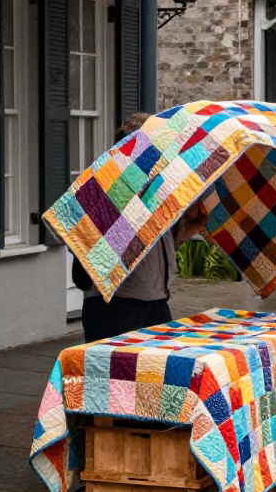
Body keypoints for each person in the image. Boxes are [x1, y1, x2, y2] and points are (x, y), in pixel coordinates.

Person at [71, 112, 210, 343]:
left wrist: (190, 224)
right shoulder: (104, 186)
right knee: (116, 376)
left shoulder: (159, 188)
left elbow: (160, 245)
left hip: (156, 301)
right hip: (116, 307)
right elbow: (93, 244)